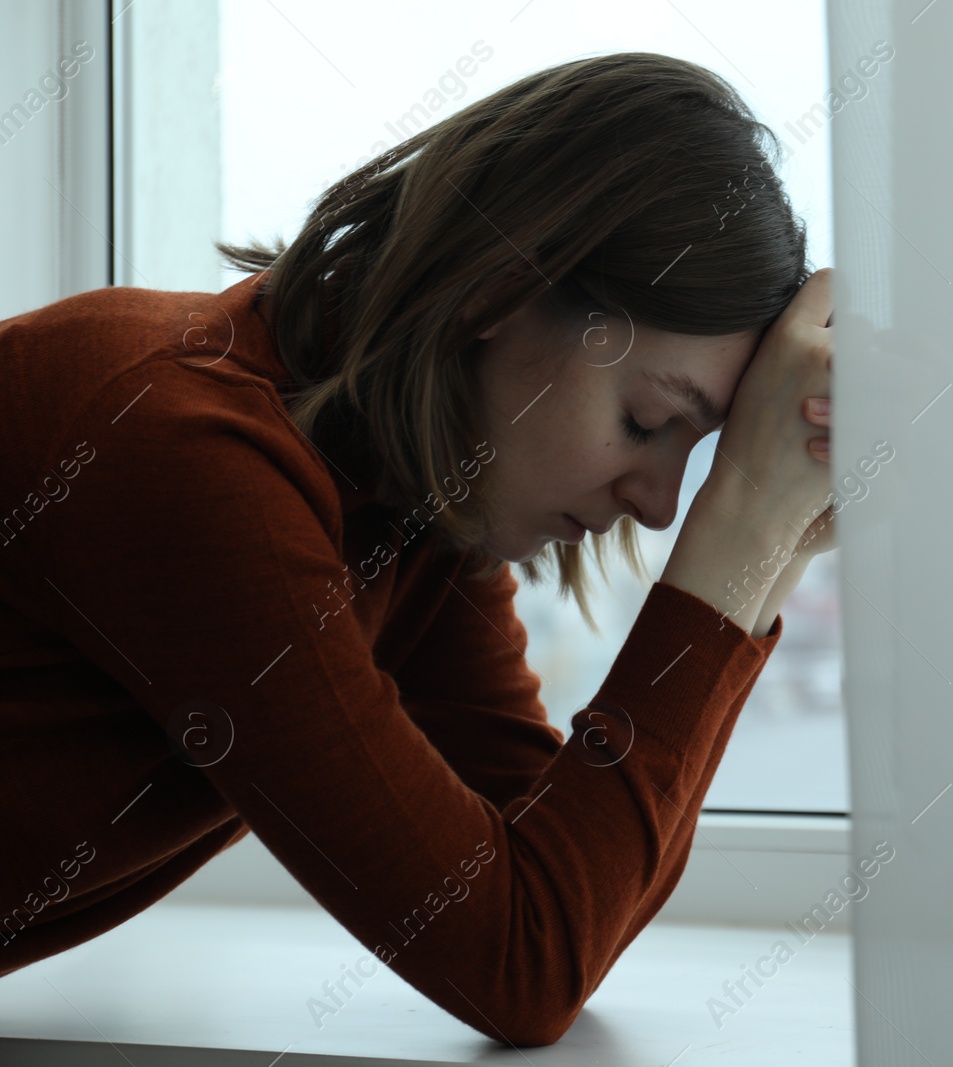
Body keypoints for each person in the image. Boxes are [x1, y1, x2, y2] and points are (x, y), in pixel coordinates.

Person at [0, 52, 835, 1046]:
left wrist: (782, 535)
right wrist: (737, 532)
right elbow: (515, 962)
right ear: (496, 292)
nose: (658, 506)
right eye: (647, 419)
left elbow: (569, 883)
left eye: (695, 455)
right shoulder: (186, 456)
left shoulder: (410, 509)